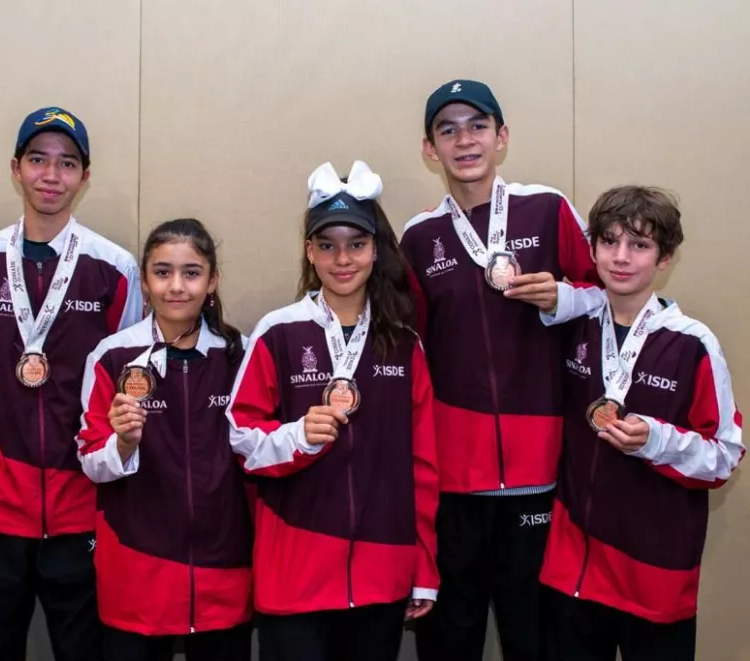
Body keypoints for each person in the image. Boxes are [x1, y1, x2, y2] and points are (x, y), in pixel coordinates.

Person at [399, 79, 600, 661]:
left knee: (534, 634)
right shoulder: (419, 237)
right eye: (448, 129)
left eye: (478, 125)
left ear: (502, 137)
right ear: (430, 149)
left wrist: (561, 296)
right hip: (454, 477)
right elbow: (411, 346)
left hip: (540, 468)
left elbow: (606, 297)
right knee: (451, 636)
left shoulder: (549, 207)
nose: (465, 140)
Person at [0, 106, 142, 661]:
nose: (51, 175)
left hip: (80, 502)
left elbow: (120, 384)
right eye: (38, 160)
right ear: (16, 168)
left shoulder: (115, 267)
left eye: (66, 163)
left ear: (85, 176)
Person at [227, 161, 439, 661]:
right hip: (294, 575)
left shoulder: (403, 345)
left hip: (382, 572)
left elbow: (424, 468)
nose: (342, 258)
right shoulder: (278, 333)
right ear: (309, 251)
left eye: (356, 244)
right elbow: (240, 440)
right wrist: (298, 436)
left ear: (375, 250)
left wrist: (424, 569)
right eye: (327, 244)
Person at [538, 186, 744, 661]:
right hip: (573, 567)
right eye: (609, 242)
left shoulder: (693, 344)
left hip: (654, 575)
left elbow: (725, 456)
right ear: (592, 249)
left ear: (666, 258)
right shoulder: (572, 327)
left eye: (640, 244)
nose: (621, 257)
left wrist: (658, 440)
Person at [78, 218, 253, 661]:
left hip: (224, 573)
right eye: (162, 272)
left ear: (212, 280)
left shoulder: (241, 355)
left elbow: (261, 452)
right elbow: (91, 462)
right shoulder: (112, 356)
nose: (176, 286)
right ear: (144, 279)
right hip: (138, 574)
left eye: (191, 273)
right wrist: (123, 443)